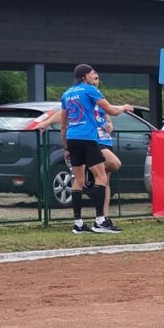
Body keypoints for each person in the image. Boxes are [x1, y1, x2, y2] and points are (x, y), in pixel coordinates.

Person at [60, 64, 132, 234]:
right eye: (93, 73)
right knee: (101, 177)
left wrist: (66, 147)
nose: (95, 76)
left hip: (72, 138)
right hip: (88, 137)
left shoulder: (67, 93)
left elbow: (63, 125)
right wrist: (124, 107)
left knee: (77, 180)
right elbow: (112, 111)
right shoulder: (89, 90)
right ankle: (100, 221)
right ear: (85, 76)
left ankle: (78, 223)